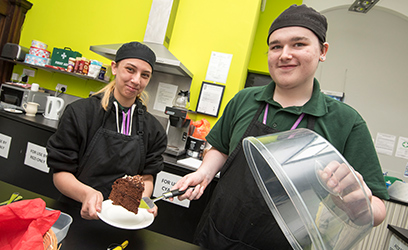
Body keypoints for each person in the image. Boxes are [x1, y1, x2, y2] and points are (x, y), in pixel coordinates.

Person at [172, 4, 389, 249]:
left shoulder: (346, 122)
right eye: (276, 46)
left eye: (299, 44)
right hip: (216, 236)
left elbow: (378, 210)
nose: (284, 54)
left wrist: (355, 201)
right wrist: (204, 173)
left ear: (322, 51)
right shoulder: (245, 99)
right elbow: (221, 148)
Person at [46, 42, 167, 220]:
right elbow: (61, 173)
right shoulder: (80, 113)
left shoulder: (153, 129)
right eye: (130, 70)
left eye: (145, 75)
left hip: (124, 218)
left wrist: (146, 202)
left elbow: (147, 177)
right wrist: (87, 195)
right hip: (76, 210)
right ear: (115, 68)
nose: (136, 80)